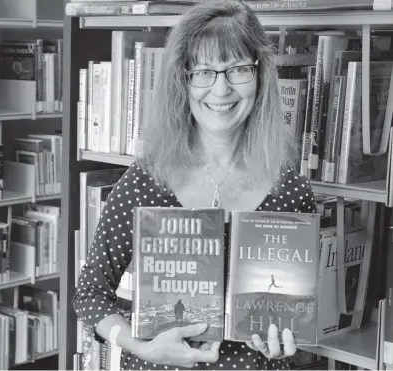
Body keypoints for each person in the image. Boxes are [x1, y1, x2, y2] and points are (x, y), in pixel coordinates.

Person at [73, 0, 317, 370]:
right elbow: (90, 294)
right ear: (182, 81)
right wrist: (140, 346)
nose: (221, 90)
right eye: (203, 71)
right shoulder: (145, 181)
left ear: (260, 76)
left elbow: (294, 316)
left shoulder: (292, 191)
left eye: (237, 69)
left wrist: (286, 343)